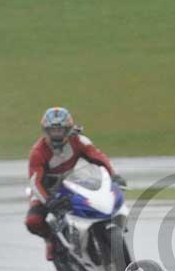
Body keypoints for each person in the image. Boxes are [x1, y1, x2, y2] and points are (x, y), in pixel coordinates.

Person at [25, 107, 125, 260]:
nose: (57, 135)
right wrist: (49, 201)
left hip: (73, 181)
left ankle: (111, 223)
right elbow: (34, 182)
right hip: (46, 189)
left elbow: (99, 157)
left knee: (100, 198)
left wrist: (113, 175)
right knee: (33, 221)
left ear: (69, 129)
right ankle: (50, 240)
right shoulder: (38, 152)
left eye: (61, 130)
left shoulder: (79, 140)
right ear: (45, 131)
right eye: (53, 131)